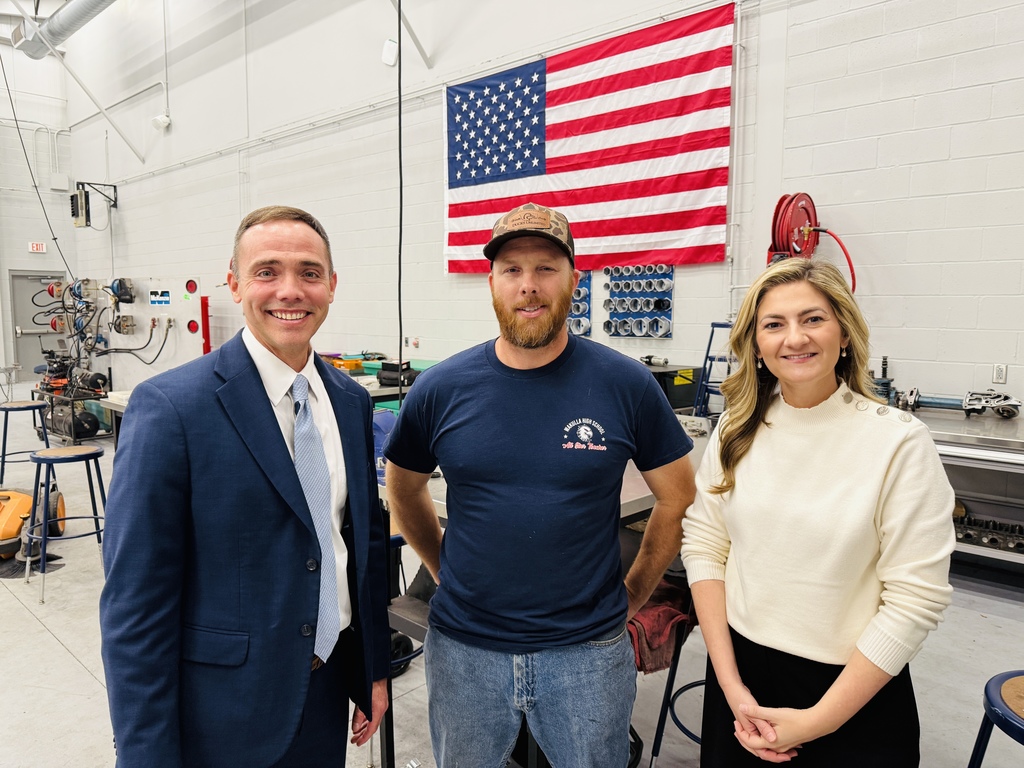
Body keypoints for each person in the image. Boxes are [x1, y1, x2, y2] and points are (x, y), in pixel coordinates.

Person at [383, 201, 697, 767]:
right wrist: (441, 570)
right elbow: (401, 489)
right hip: (465, 651)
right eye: (512, 270)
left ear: (574, 278)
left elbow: (678, 497)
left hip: (588, 655)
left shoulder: (625, 383)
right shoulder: (440, 388)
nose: (529, 286)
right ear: (492, 283)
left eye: (546, 267)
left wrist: (633, 595)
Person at [99, 205, 391, 767]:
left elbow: (358, 548)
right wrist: (146, 755)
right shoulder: (171, 409)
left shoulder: (350, 402)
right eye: (266, 271)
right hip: (221, 713)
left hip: (325, 692)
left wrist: (372, 669)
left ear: (331, 286)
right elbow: (135, 605)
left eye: (309, 272)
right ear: (234, 283)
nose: (290, 290)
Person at [680, 258, 955, 766]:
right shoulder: (736, 431)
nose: (795, 338)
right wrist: (730, 685)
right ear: (756, 344)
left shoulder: (898, 443)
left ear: (844, 332)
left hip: (853, 690)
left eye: (813, 319)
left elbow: (914, 599)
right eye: (774, 324)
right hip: (740, 681)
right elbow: (705, 545)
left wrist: (818, 720)